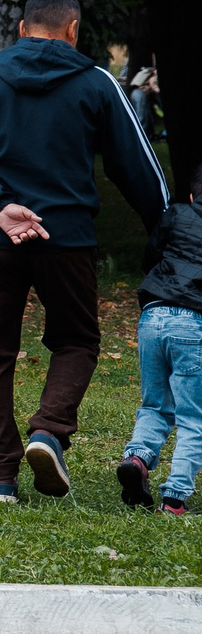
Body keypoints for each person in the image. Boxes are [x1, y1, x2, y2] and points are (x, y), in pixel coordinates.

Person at [0, 0, 166, 503]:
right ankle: (49, 431)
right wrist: (168, 230)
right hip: (67, 241)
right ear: (73, 30)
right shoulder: (97, 82)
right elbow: (136, 166)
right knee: (76, 341)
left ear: (22, 29)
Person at [120, 177, 202, 514]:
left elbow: (151, 254)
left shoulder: (177, 212)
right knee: (193, 416)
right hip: (195, 323)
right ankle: (175, 497)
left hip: (153, 315)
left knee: (154, 404)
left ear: (194, 194)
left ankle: (137, 458)